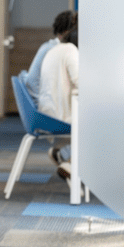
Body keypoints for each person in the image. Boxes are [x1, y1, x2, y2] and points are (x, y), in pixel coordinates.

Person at [38, 26, 79, 176]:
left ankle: (63, 155)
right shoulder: (71, 50)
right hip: (59, 115)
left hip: (46, 113)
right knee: (100, 124)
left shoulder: (55, 50)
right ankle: (70, 164)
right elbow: (79, 80)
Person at [20, 10, 76, 106]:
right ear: (67, 32)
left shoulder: (49, 46)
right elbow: (32, 82)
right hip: (43, 105)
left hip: (40, 102)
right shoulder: (54, 50)